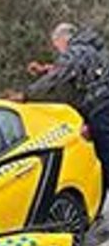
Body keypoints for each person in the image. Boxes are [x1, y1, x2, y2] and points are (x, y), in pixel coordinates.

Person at [18, 21, 109, 175]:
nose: (58, 50)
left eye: (57, 45)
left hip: (100, 107)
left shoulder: (75, 51)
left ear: (62, 39)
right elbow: (78, 68)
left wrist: (26, 95)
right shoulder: (90, 48)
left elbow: (59, 76)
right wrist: (45, 69)